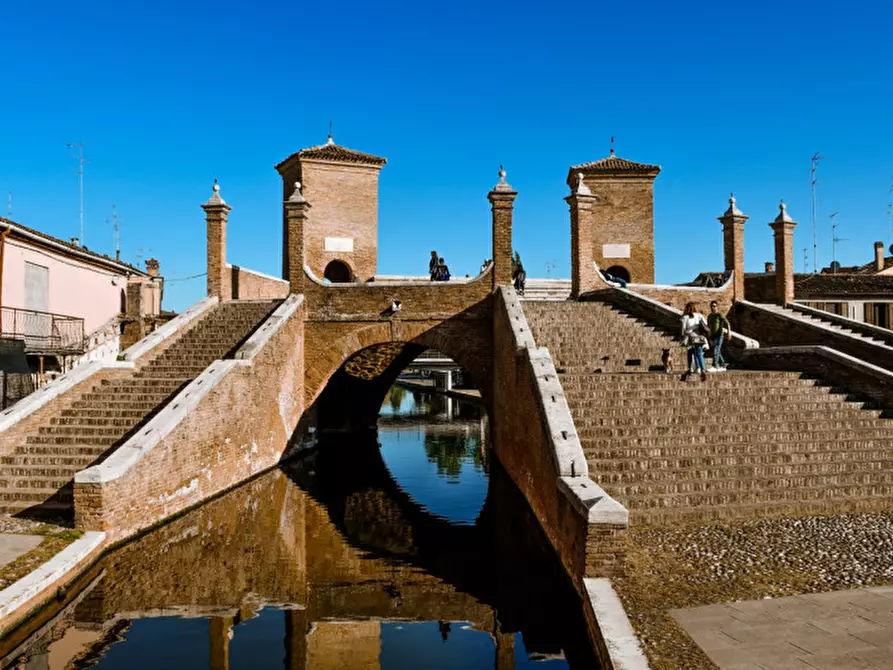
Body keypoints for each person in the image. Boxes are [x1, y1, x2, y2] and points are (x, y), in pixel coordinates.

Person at [680, 302, 709, 382]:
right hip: (698, 337)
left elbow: (683, 331)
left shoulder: (684, 318)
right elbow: (705, 324)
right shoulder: (699, 315)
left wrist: (689, 331)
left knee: (690, 352)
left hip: (690, 338)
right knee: (699, 353)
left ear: (686, 308)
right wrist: (696, 327)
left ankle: (690, 368)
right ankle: (702, 369)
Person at [707, 300, 730, 372]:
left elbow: (727, 323)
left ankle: (714, 366)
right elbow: (708, 327)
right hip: (713, 336)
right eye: (712, 306)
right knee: (717, 351)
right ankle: (723, 365)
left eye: (714, 306)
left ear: (717, 307)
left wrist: (729, 333)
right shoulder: (709, 316)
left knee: (716, 350)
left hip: (719, 335)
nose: (713, 307)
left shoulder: (719, 315)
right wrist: (709, 336)